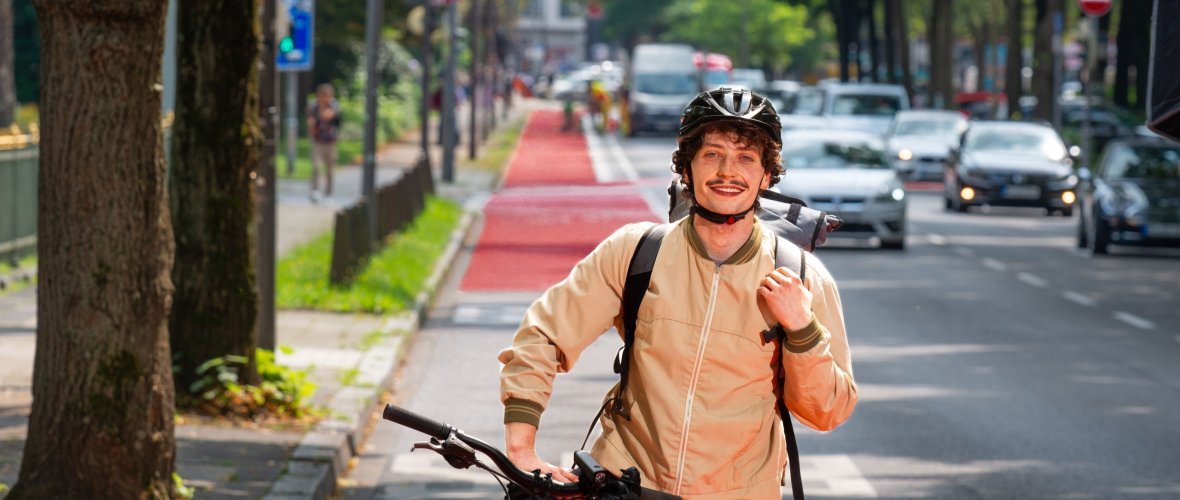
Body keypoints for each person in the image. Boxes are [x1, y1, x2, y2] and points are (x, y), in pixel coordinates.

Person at [498, 87, 858, 498]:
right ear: (686, 168)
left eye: (745, 157)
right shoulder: (636, 251)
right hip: (627, 486)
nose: (728, 171)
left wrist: (802, 328)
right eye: (712, 154)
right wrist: (521, 450)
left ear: (767, 174)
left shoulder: (802, 276)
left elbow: (828, 411)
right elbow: (544, 335)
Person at [306, 83, 341, 202]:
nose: (325, 97)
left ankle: (329, 192)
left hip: (330, 142)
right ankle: (315, 190)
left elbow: (327, 116)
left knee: (329, 168)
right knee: (316, 166)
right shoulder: (313, 105)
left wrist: (321, 110)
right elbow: (310, 122)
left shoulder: (334, 105)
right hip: (317, 141)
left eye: (327, 95)